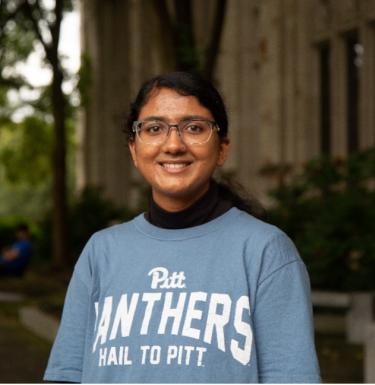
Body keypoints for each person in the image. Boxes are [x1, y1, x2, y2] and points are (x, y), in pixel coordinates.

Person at [44, 72, 320, 383]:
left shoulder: (266, 252)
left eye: (194, 128)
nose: (174, 144)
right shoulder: (101, 252)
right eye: (154, 128)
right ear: (134, 149)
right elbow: (66, 376)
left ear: (222, 148)